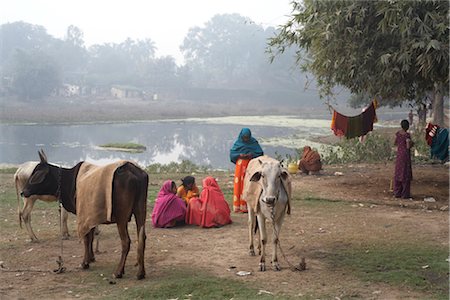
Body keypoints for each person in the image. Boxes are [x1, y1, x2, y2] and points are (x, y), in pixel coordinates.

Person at [229, 128, 264, 213]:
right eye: (244, 137)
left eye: (247, 137)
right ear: (241, 136)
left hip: (250, 166)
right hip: (240, 167)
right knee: (239, 184)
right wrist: (239, 155)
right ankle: (238, 205)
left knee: (249, 183)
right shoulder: (238, 143)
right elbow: (232, 154)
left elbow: (259, 153)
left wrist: (251, 155)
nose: (245, 139)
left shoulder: (253, 143)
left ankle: (247, 205)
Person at [393, 120, 414, 199]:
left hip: (399, 155)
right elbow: (408, 146)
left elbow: (395, 143)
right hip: (405, 156)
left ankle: (397, 192)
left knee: (398, 173)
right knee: (405, 174)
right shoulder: (407, 135)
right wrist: (411, 143)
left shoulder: (398, 134)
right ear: (407, 127)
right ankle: (405, 194)